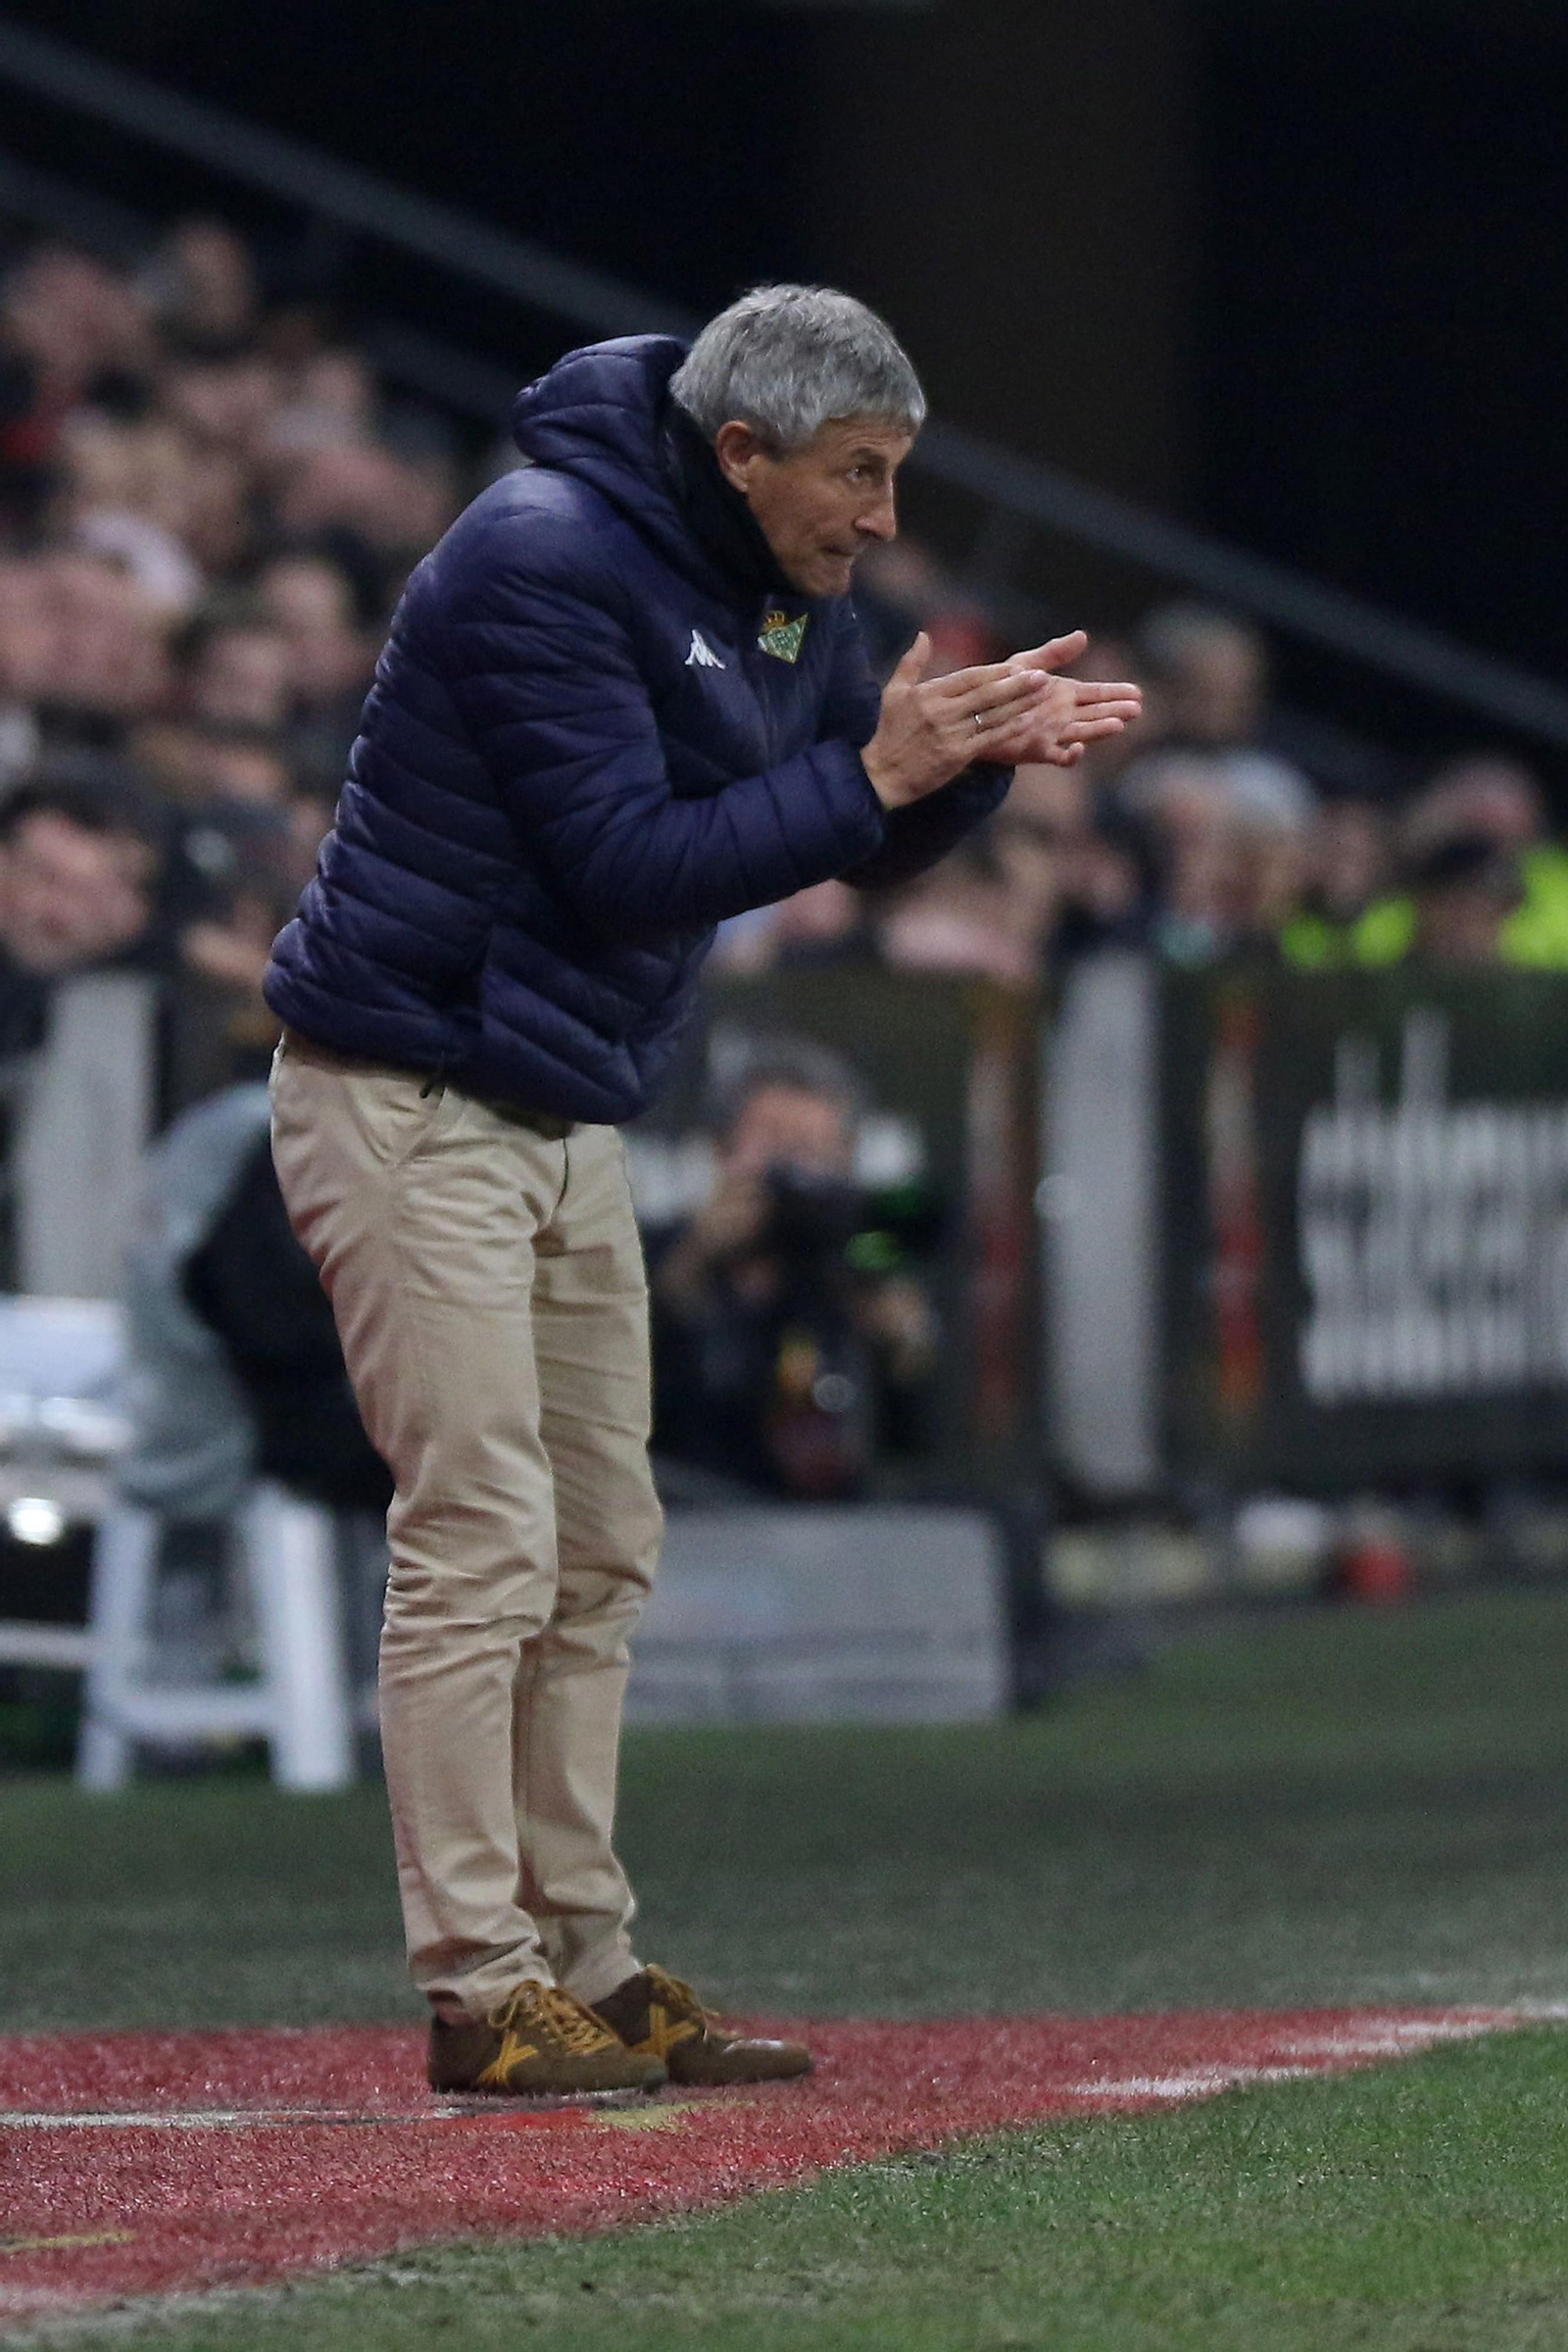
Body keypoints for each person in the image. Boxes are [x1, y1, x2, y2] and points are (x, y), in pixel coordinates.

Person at [263, 284, 1141, 2099]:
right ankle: (479, 1983)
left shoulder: (770, 572)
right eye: (860, 476)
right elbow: (627, 866)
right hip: (412, 1095)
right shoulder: (541, 557)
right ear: (739, 450)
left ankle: (585, 1957)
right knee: (484, 1538)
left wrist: (953, 770)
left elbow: (848, 823)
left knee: (600, 1547)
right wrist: (881, 769)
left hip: (561, 1106)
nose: (883, 519)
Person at [649, 1038, 937, 1498]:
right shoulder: (662, 1257)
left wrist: (903, 1348)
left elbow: (916, 1448)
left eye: (815, 1152)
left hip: (827, 1535)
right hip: (689, 1523)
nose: (795, 1176)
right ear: (723, 1152)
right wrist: (693, 1267)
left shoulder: (856, 1263)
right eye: (776, 1146)